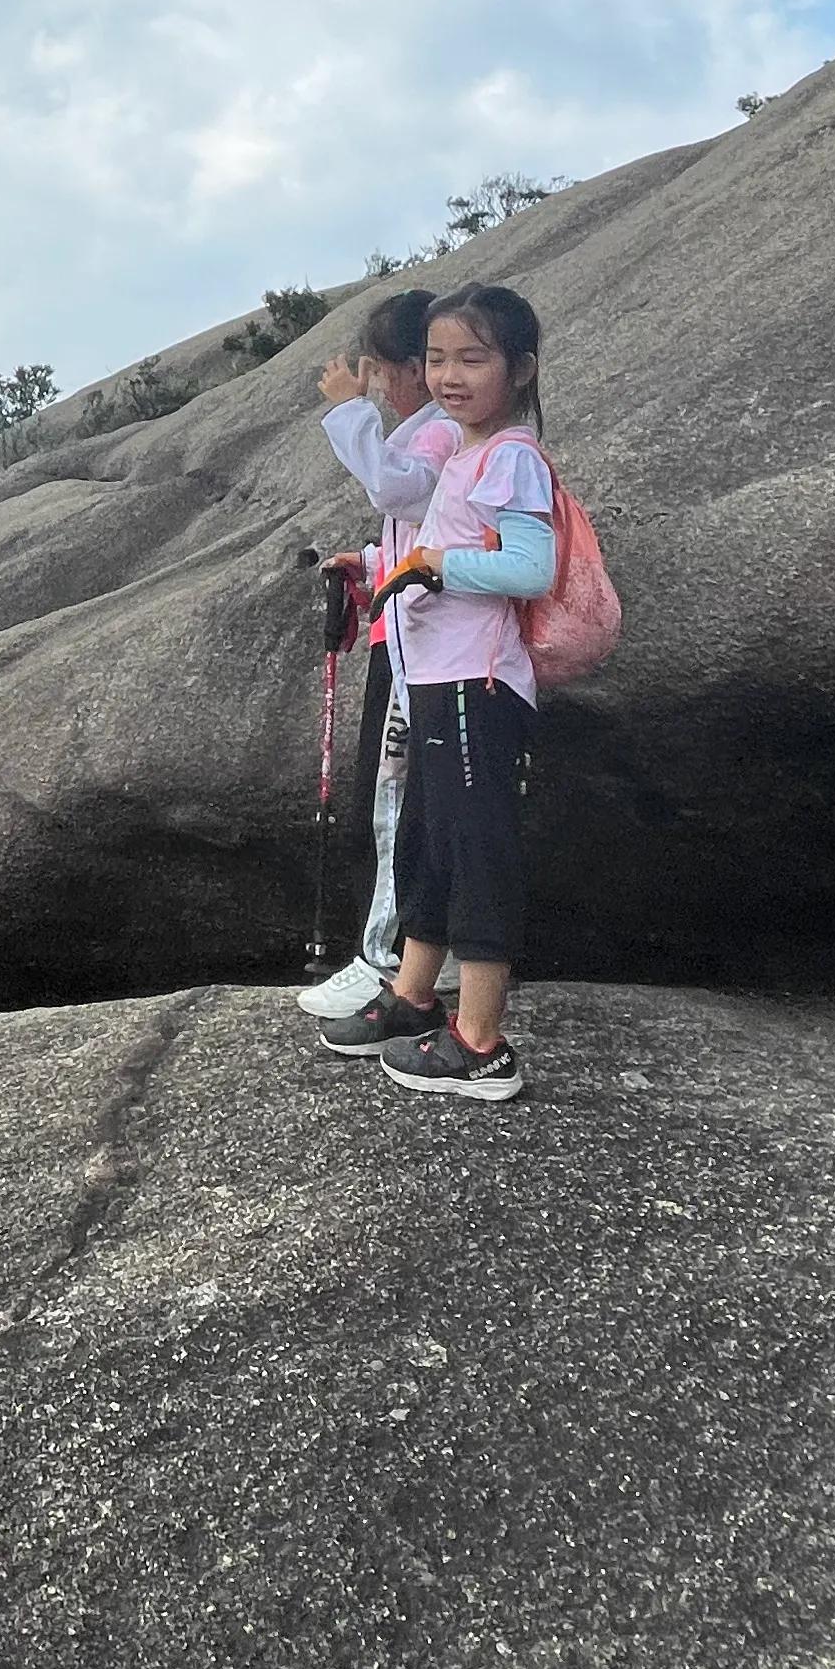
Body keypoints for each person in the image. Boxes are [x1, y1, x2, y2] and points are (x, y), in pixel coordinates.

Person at [313, 282, 562, 1102]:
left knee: (473, 849)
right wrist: (389, 566)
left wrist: (434, 566)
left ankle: (483, 1042)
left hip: (477, 685)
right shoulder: (461, 449)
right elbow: (431, 532)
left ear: (520, 369)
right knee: (425, 837)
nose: (449, 376)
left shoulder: (512, 455)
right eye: (437, 359)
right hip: (438, 679)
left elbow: (532, 567)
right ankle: (414, 997)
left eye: (473, 359)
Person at [300, 290, 462, 1019]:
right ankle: (413, 950)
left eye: (381, 370)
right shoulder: (436, 433)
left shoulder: (438, 435)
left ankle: (383, 960)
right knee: (402, 800)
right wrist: (370, 560)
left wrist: (348, 410)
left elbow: (397, 489)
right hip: (410, 637)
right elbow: (414, 524)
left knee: (392, 804)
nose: (379, 383)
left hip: (423, 650)